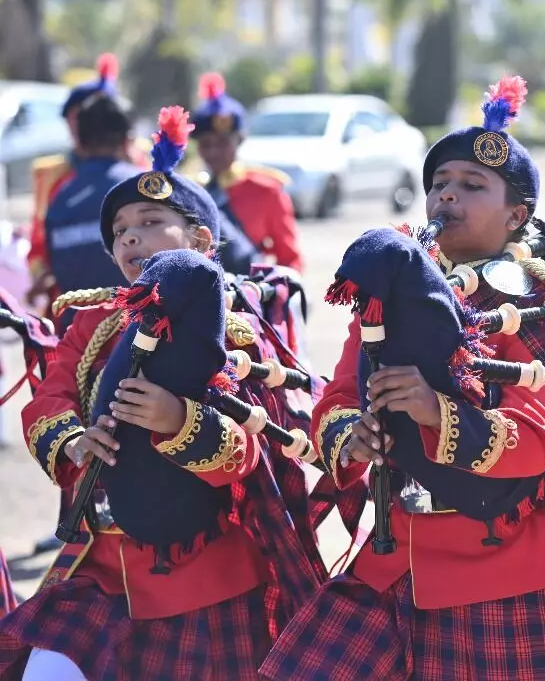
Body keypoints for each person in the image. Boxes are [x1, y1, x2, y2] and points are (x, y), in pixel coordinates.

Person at [261, 76, 545, 681]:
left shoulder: (530, 307)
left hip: (507, 573)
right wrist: (352, 438)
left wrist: (430, 411)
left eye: (473, 186)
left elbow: (537, 440)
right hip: (396, 557)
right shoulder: (391, 292)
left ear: (516, 215)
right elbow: (336, 395)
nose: (448, 196)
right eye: (439, 184)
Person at [0, 107, 324, 680]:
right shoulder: (91, 322)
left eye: (150, 222)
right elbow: (47, 400)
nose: (130, 237)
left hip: (203, 583)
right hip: (98, 569)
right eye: (121, 231)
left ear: (200, 239)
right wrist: (74, 443)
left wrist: (178, 421)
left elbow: (248, 456)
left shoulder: (237, 329)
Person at [28, 55, 124, 311]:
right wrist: (42, 273)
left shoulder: (141, 165)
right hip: (72, 300)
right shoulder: (49, 175)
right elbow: (39, 239)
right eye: (80, 117)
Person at [41, 92, 143, 333]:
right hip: (139, 341)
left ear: (81, 143)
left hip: (76, 345)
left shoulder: (60, 196)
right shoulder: (142, 187)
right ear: (128, 139)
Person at [190, 73, 302, 272]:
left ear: (239, 141)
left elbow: (289, 260)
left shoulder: (266, 191)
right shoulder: (190, 189)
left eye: (223, 143)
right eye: (206, 144)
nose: (214, 152)